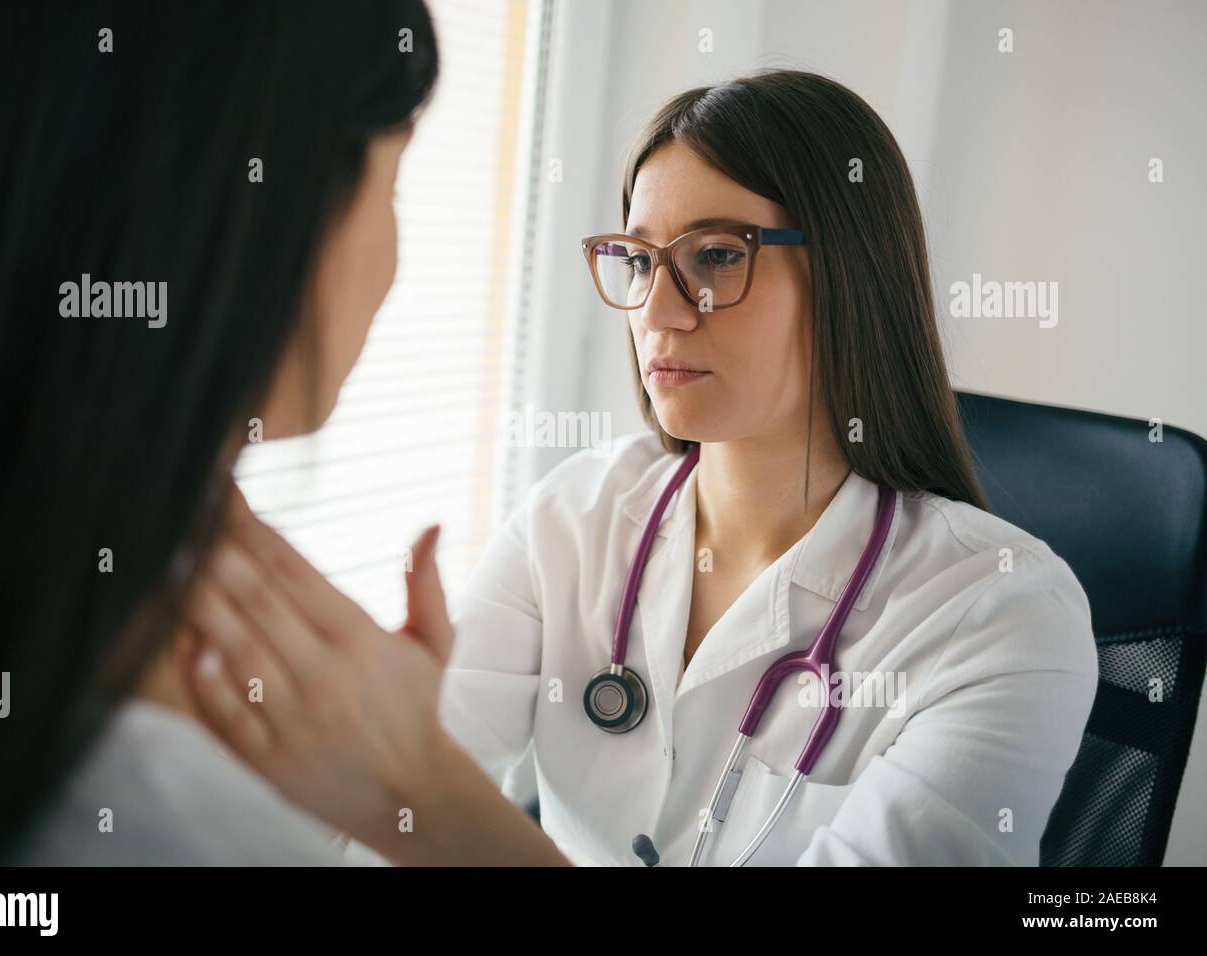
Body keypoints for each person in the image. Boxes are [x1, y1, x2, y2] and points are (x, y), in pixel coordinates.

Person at [180, 70, 1100, 866]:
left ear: (852, 274)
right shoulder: (574, 522)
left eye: (713, 256)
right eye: (635, 258)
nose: (658, 309)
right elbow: (392, 803)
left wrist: (423, 796)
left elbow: (420, 795)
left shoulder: (1005, 616)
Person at [0, 0, 566, 866]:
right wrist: (423, 788)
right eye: (393, 179)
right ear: (248, 217)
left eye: (716, 257)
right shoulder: (165, 814)